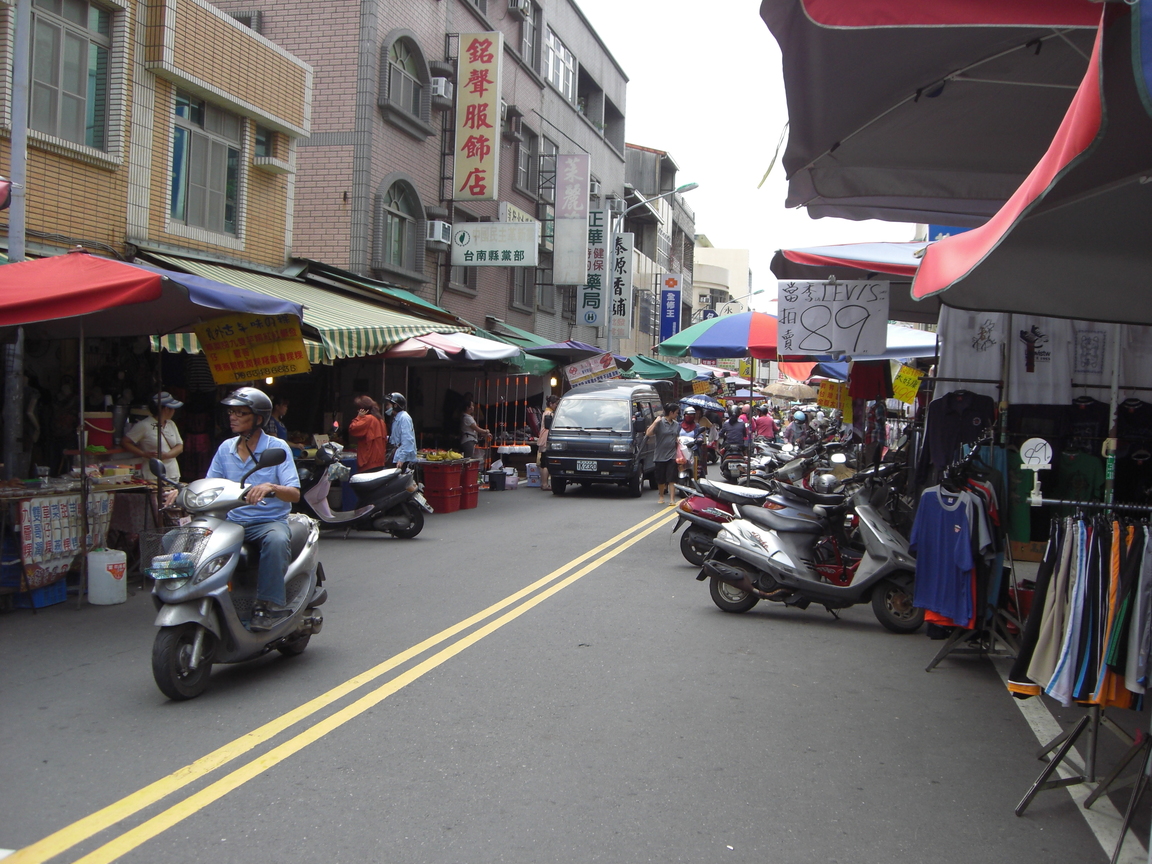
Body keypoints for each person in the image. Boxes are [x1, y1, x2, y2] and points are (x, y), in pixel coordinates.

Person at [206, 388, 301, 632]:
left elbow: (294, 493)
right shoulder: (225, 449)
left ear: (258, 419)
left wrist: (271, 486)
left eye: (241, 413)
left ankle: (267, 605)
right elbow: (211, 485)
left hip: (267, 522)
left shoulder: (277, 448)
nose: (233, 417)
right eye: (231, 412)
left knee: (278, 540)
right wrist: (183, 491)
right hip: (232, 522)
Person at [123, 392, 184, 481]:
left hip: (173, 472)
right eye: (172, 409)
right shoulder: (144, 425)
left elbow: (180, 446)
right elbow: (125, 442)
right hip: (152, 475)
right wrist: (144, 454)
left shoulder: (171, 424)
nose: (174, 411)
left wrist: (166, 455)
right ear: (166, 409)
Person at [646, 402, 681, 505]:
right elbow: (648, 433)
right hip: (660, 456)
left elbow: (676, 435)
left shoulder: (676, 424)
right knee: (661, 479)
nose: (677, 415)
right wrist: (655, 422)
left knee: (672, 478)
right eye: (676, 413)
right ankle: (661, 496)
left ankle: (672, 499)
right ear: (671, 412)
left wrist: (677, 440)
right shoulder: (660, 423)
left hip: (672, 455)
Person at [348, 395, 387, 472]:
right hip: (380, 462)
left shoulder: (368, 419)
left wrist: (358, 417)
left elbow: (352, 429)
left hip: (368, 463)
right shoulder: (381, 421)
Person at [385, 392, 417, 470]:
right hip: (397, 456)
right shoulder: (396, 418)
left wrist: (402, 459)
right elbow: (396, 438)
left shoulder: (404, 418)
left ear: (395, 405)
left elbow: (408, 440)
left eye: (388, 405)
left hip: (402, 459)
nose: (386, 407)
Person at [537, 394, 559, 491]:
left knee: (543, 462)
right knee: (545, 462)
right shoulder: (549, 414)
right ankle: (545, 484)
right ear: (551, 403)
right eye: (556, 404)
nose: (557, 406)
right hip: (546, 438)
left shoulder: (546, 412)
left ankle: (543, 483)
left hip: (543, 438)